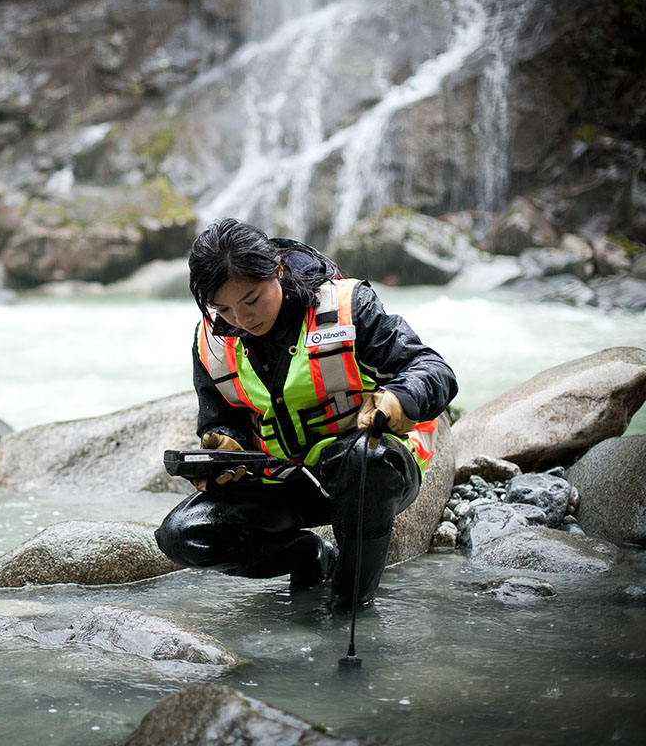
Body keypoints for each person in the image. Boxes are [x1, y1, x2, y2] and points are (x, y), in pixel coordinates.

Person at [155, 218, 458, 608]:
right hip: (287, 482)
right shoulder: (212, 339)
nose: (241, 319)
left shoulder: (348, 307)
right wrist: (223, 442)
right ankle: (309, 556)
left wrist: (400, 399)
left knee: (365, 460)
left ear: (278, 271)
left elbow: (433, 370)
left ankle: (350, 600)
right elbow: (220, 416)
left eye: (251, 300)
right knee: (183, 535)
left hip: (369, 472)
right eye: (223, 308)